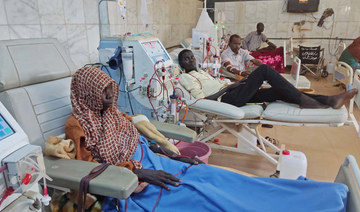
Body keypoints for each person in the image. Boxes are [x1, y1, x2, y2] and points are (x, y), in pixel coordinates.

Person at [66, 66, 348, 211]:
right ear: (88, 93)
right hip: (135, 180)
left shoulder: (113, 113)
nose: (110, 97)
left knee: (230, 181)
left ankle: (321, 197)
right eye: (104, 92)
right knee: (213, 200)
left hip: (159, 163)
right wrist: (137, 173)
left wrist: (171, 154)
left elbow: (139, 139)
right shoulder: (79, 126)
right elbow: (88, 168)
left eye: (111, 90)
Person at [179, 49, 358, 109]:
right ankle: (305, 100)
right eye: (185, 59)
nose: (191, 60)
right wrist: (229, 88)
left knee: (275, 91)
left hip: (233, 91)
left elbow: (220, 83)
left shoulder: (203, 72)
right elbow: (201, 101)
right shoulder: (186, 78)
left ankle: (329, 100)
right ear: (181, 65)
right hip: (226, 100)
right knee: (264, 70)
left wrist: (235, 83)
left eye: (191, 57)